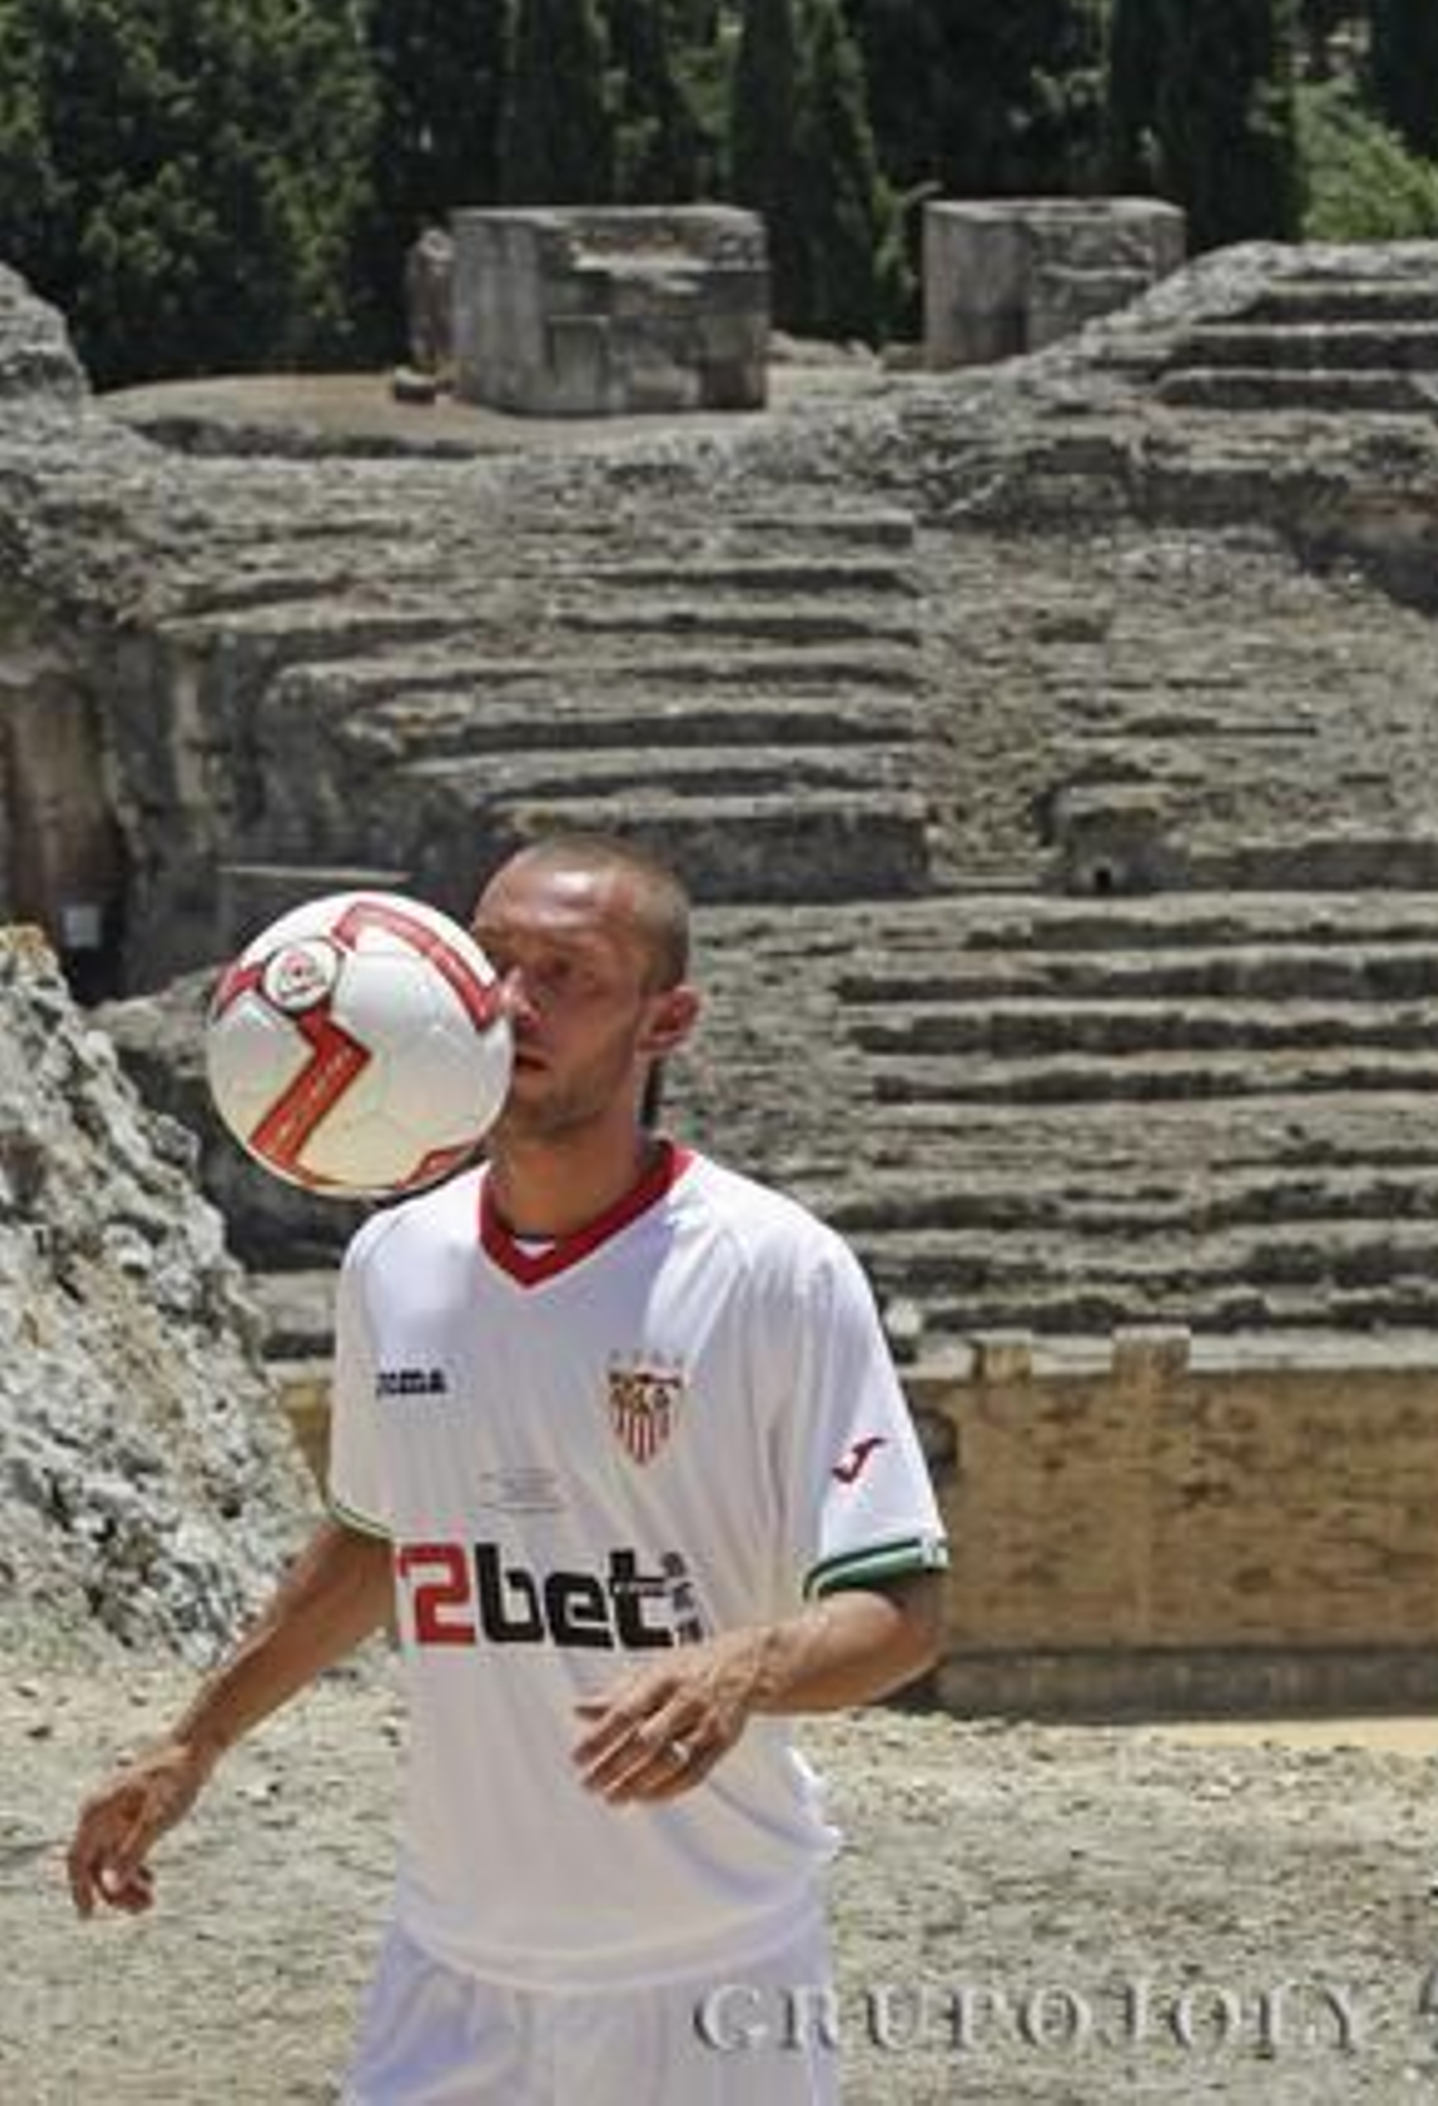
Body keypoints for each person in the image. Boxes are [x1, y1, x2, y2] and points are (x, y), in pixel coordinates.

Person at [67, 834, 949, 2104]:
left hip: (709, 1970)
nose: (512, 1001)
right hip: (448, 1968)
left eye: (566, 973)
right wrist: (192, 1740)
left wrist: (739, 1667)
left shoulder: (774, 1269)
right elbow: (379, 1539)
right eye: (493, 962)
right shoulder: (394, 1260)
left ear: (667, 1020)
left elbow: (903, 1612)